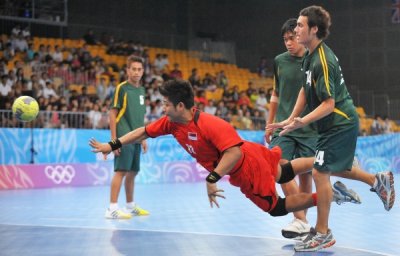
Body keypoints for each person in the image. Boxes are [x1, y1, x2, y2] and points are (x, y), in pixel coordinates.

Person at [90, 79, 360, 221]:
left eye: (165, 104)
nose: (162, 107)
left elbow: (233, 154)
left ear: (181, 106)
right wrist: (112, 144)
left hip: (245, 167)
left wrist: (211, 178)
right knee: (284, 170)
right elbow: (142, 131)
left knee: (277, 208)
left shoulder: (210, 124)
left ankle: (329, 196)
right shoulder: (172, 124)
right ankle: (329, 161)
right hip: (251, 155)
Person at [267, 6, 395, 252]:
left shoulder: (322, 61)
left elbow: (329, 103)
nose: (296, 30)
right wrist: (290, 118)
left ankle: (322, 233)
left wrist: (302, 122)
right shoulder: (309, 56)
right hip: (330, 125)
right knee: (329, 168)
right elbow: (305, 90)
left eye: (301, 25)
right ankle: (377, 181)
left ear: (314, 30)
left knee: (319, 172)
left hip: (340, 123)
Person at [105, 55, 149, 219]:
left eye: (139, 69)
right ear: (128, 71)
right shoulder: (121, 88)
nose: (136, 72)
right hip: (123, 137)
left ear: (143, 71)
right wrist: (115, 141)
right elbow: (112, 113)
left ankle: (130, 206)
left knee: (133, 172)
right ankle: (112, 208)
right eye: (133, 69)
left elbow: (139, 116)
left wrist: (143, 137)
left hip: (136, 138)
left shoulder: (142, 90)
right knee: (121, 171)